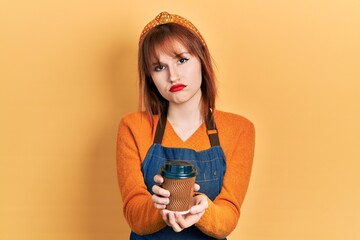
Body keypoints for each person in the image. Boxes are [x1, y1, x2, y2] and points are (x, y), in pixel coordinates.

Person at [117, 11, 255, 240]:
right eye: (159, 67)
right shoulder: (133, 127)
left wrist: (203, 210)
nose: (173, 75)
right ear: (150, 77)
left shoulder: (239, 129)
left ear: (202, 60)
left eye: (182, 60)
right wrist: (159, 208)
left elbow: (228, 215)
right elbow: (134, 214)